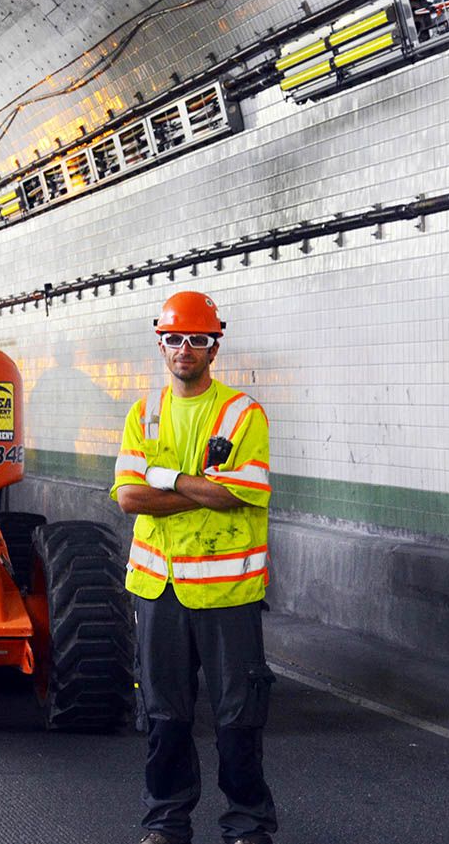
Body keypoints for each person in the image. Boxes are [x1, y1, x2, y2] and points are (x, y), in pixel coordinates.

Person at [111, 292, 276, 844]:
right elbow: (129, 499)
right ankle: (165, 823)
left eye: (197, 340)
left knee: (238, 719)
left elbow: (237, 494)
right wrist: (202, 488)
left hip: (228, 591)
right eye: (175, 339)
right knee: (164, 717)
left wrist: (168, 477)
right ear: (160, 344)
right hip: (159, 590)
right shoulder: (143, 412)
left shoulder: (242, 413)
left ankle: (247, 825)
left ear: (214, 346)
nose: (185, 348)